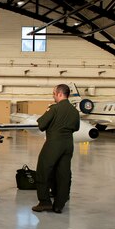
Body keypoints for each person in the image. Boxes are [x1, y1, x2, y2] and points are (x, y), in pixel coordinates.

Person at [32, 84, 80, 213]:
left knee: (43, 171)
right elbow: (76, 128)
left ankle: (44, 202)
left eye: (53, 93)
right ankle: (59, 204)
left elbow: (41, 125)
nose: (53, 96)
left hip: (54, 143)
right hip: (68, 144)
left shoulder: (54, 109)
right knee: (64, 173)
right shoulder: (74, 111)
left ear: (59, 94)